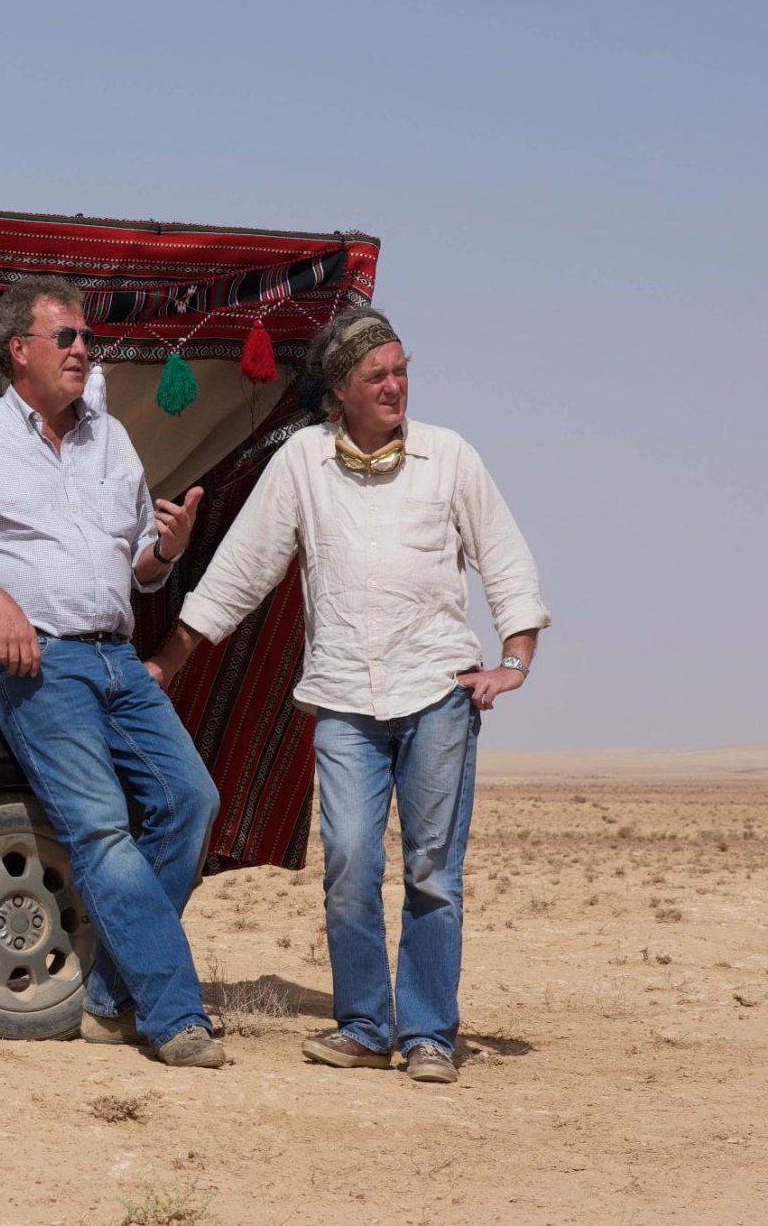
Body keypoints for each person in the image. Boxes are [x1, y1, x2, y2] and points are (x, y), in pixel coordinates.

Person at [148, 306, 549, 1084]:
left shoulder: (449, 457)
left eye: (401, 370)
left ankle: (429, 1032)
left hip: (437, 693)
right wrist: (170, 658)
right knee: (351, 866)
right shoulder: (303, 463)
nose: (396, 385)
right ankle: (365, 1024)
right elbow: (241, 569)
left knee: (434, 870)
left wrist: (515, 660)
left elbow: (506, 560)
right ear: (341, 393)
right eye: (378, 375)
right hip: (343, 703)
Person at [0, 275, 227, 1069]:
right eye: (67, 338)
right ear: (21, 351)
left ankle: (110, 996)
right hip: (34, 661)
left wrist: (168, 550)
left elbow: (140, 569)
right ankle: (176, 1013)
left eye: (86, 338)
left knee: (191, 801)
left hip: (117, 655)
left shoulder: (111, 439)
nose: (84, 350)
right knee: (102, 829)